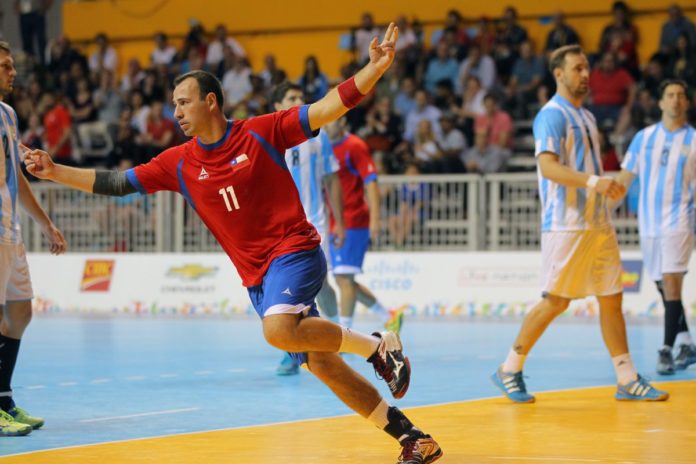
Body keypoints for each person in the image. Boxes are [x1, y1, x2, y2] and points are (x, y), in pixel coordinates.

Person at [23, 24, 443, 463]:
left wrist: (373, 69)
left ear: (210, 101)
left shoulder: (261, 131)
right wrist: (56, 172)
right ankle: (413, 438)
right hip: (258, 276)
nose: (177, 113)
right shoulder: (178, 162)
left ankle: (379, 345)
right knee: (321, 364)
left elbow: (325, 108)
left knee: (277, 331)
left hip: (295, 250)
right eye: (173, 106)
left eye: (184, 102)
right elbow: (116, 182)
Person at [490, 44, 669, 403]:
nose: (585, 75)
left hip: (598, 223)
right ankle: (509, 367)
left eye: (587, 68)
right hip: (566, 225)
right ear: (559, 74)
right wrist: (593, 182)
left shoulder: (586, 117)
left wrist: (608, 185)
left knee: (611, 299)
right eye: (577, 69)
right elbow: (548, 167)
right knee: (556, 302)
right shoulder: (551, 115)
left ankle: (626, 377)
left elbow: (590, 171)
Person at [0, 41, 67, 436]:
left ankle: (4, 399)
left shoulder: (7, 114)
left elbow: (17, 176)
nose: (13, 72)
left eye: (11, 64)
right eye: (6, 65)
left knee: (21, 312)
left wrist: (45, 223)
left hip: (10, 228)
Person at [610, 79, 696, 375]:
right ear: (660, 102)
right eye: (670, 95)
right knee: (663, 285)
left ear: (687, 103)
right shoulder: (643, 138)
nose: (675, 100)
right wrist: (602, 211)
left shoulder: (694, 140)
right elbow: (624, 179)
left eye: (680, 96)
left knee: (672, 281)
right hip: (648, 222)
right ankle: (686, 341)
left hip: (680, 220)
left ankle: (666, 350)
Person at [270, 81, 344, 376]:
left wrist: (341, 220)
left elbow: (332, 180)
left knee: (321, 284)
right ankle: (294, 351)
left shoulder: (318, 135)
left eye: (300, 96)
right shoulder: (268, 138)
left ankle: (338, 333)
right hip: (282, 228)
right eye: (291, 97)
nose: (298, 100)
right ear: (277, 106)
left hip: (317, 223)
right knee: (288, 290)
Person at [325, 115, 404, 334]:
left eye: (333, 120)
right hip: (329, 222)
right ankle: (388, 316)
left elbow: (371, 182)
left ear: (343, 123)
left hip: (353, 220)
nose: (328, 123)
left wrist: (376, 219)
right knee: (343, 279)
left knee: (343, 278)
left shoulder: (355, 146)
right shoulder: (320, 145)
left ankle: (344, 334)